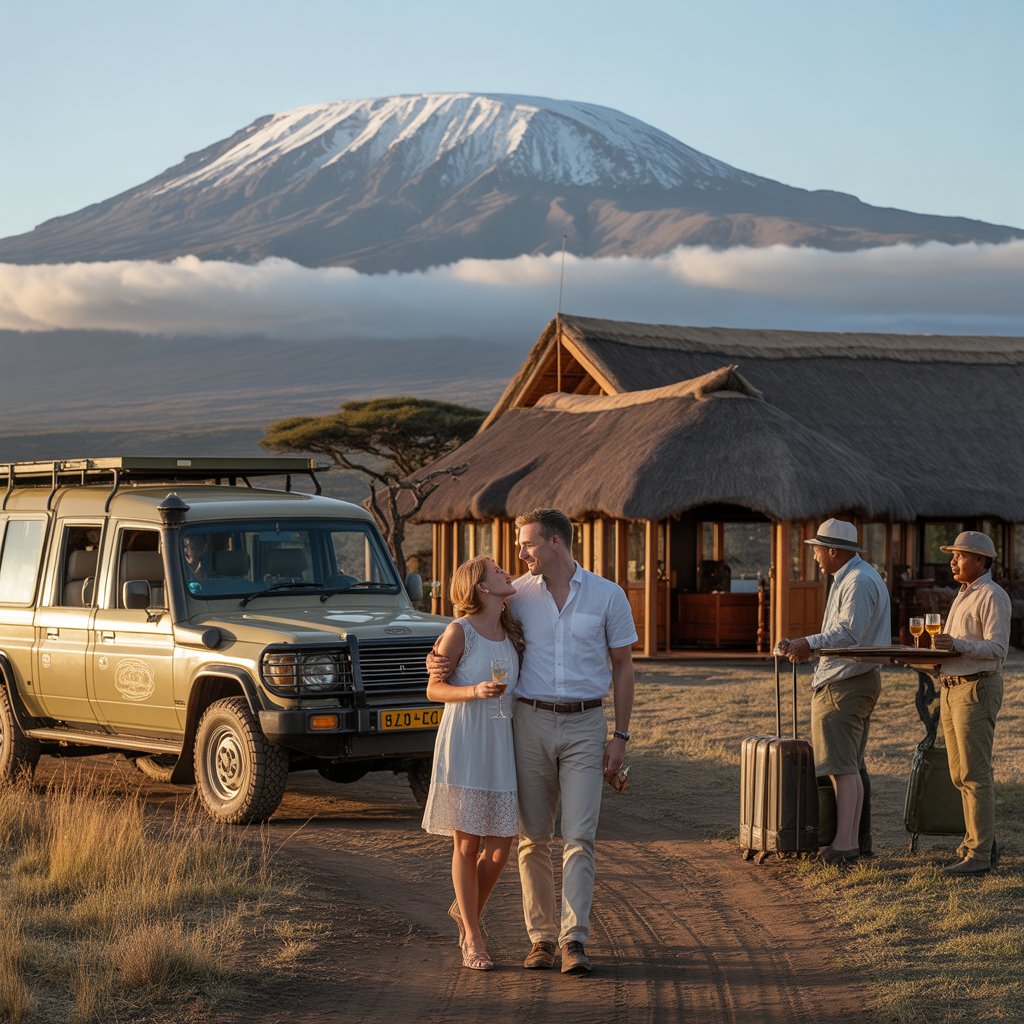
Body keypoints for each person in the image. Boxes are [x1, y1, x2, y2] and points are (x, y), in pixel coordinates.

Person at [433, 509, 636, 975]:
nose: (519, 553)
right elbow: (468, 625)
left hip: (587, 724)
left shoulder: (608, 595)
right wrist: (436, 662)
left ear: (555, 543)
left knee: (580, 836)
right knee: (532, 838)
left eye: (526, 544)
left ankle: (574, 940)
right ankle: (541, 938)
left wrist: (620, 736)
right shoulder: (516, 595)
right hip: (528, 723)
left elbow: (624, 666)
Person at [421, 556, 524, 971]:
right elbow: (433, 689)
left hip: (501, 741)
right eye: (497, 570)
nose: (507, 572)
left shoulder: (513, 630)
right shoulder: (457, 631)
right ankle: (473, 937)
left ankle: (462, 911)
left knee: (501, 846)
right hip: (465, 740)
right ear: (481, 588)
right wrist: (473, 691)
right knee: (467, 843)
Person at [778, 518, 890, 867]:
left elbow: (849, 634)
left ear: (832, 551)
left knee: (841, 766)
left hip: (845, 681)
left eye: (816, 550)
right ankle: (852, 839)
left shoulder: (856, 582)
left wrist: (807, 643)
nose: (814, 557)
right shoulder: (860, 576)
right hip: (857, 678)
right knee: (850, 765)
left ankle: (844, 843)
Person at [931, 531, 1011, 875]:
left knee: (975, 773)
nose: (953, 561)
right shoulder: (964, 594)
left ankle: (979, 855)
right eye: (953, 555)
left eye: (960, 555)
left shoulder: (992, 596)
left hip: (975, 689)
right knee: (959, 774)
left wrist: (958, 645)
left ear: (980, 560)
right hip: (952, 688)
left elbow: (997, 649)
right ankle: (974, 844)